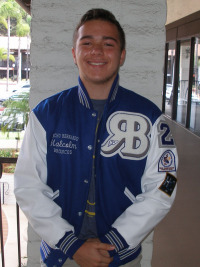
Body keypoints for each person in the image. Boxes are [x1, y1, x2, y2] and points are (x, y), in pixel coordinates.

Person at [14, 8, 178, 267]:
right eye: (87, 43)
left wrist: (118, 241)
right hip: (63, 256)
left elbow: (166, 184)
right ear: (74, 54)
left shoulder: (150, 117)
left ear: (122, 55)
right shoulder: (46, 114)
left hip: (120, 257)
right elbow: (26, 185)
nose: (97, 51)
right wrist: (71, 245)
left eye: (108, 44)